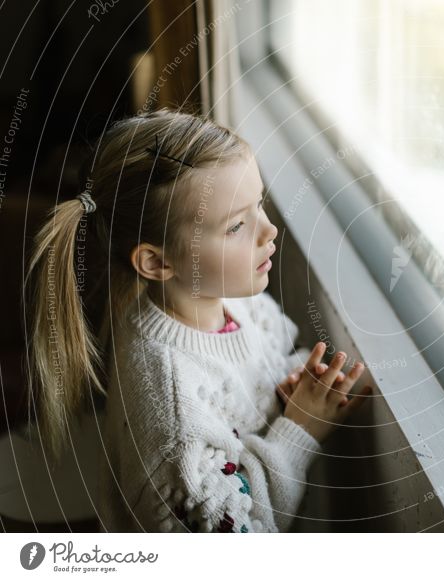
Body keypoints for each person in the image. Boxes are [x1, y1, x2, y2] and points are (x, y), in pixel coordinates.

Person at [23, 107, 372, 532]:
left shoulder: (231, 300)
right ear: (156, 262)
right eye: (236, 225)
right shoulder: (173, 413)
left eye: (258, 203)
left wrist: (292, 390)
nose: (269, 231)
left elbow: (259, 373)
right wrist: (299, 432)